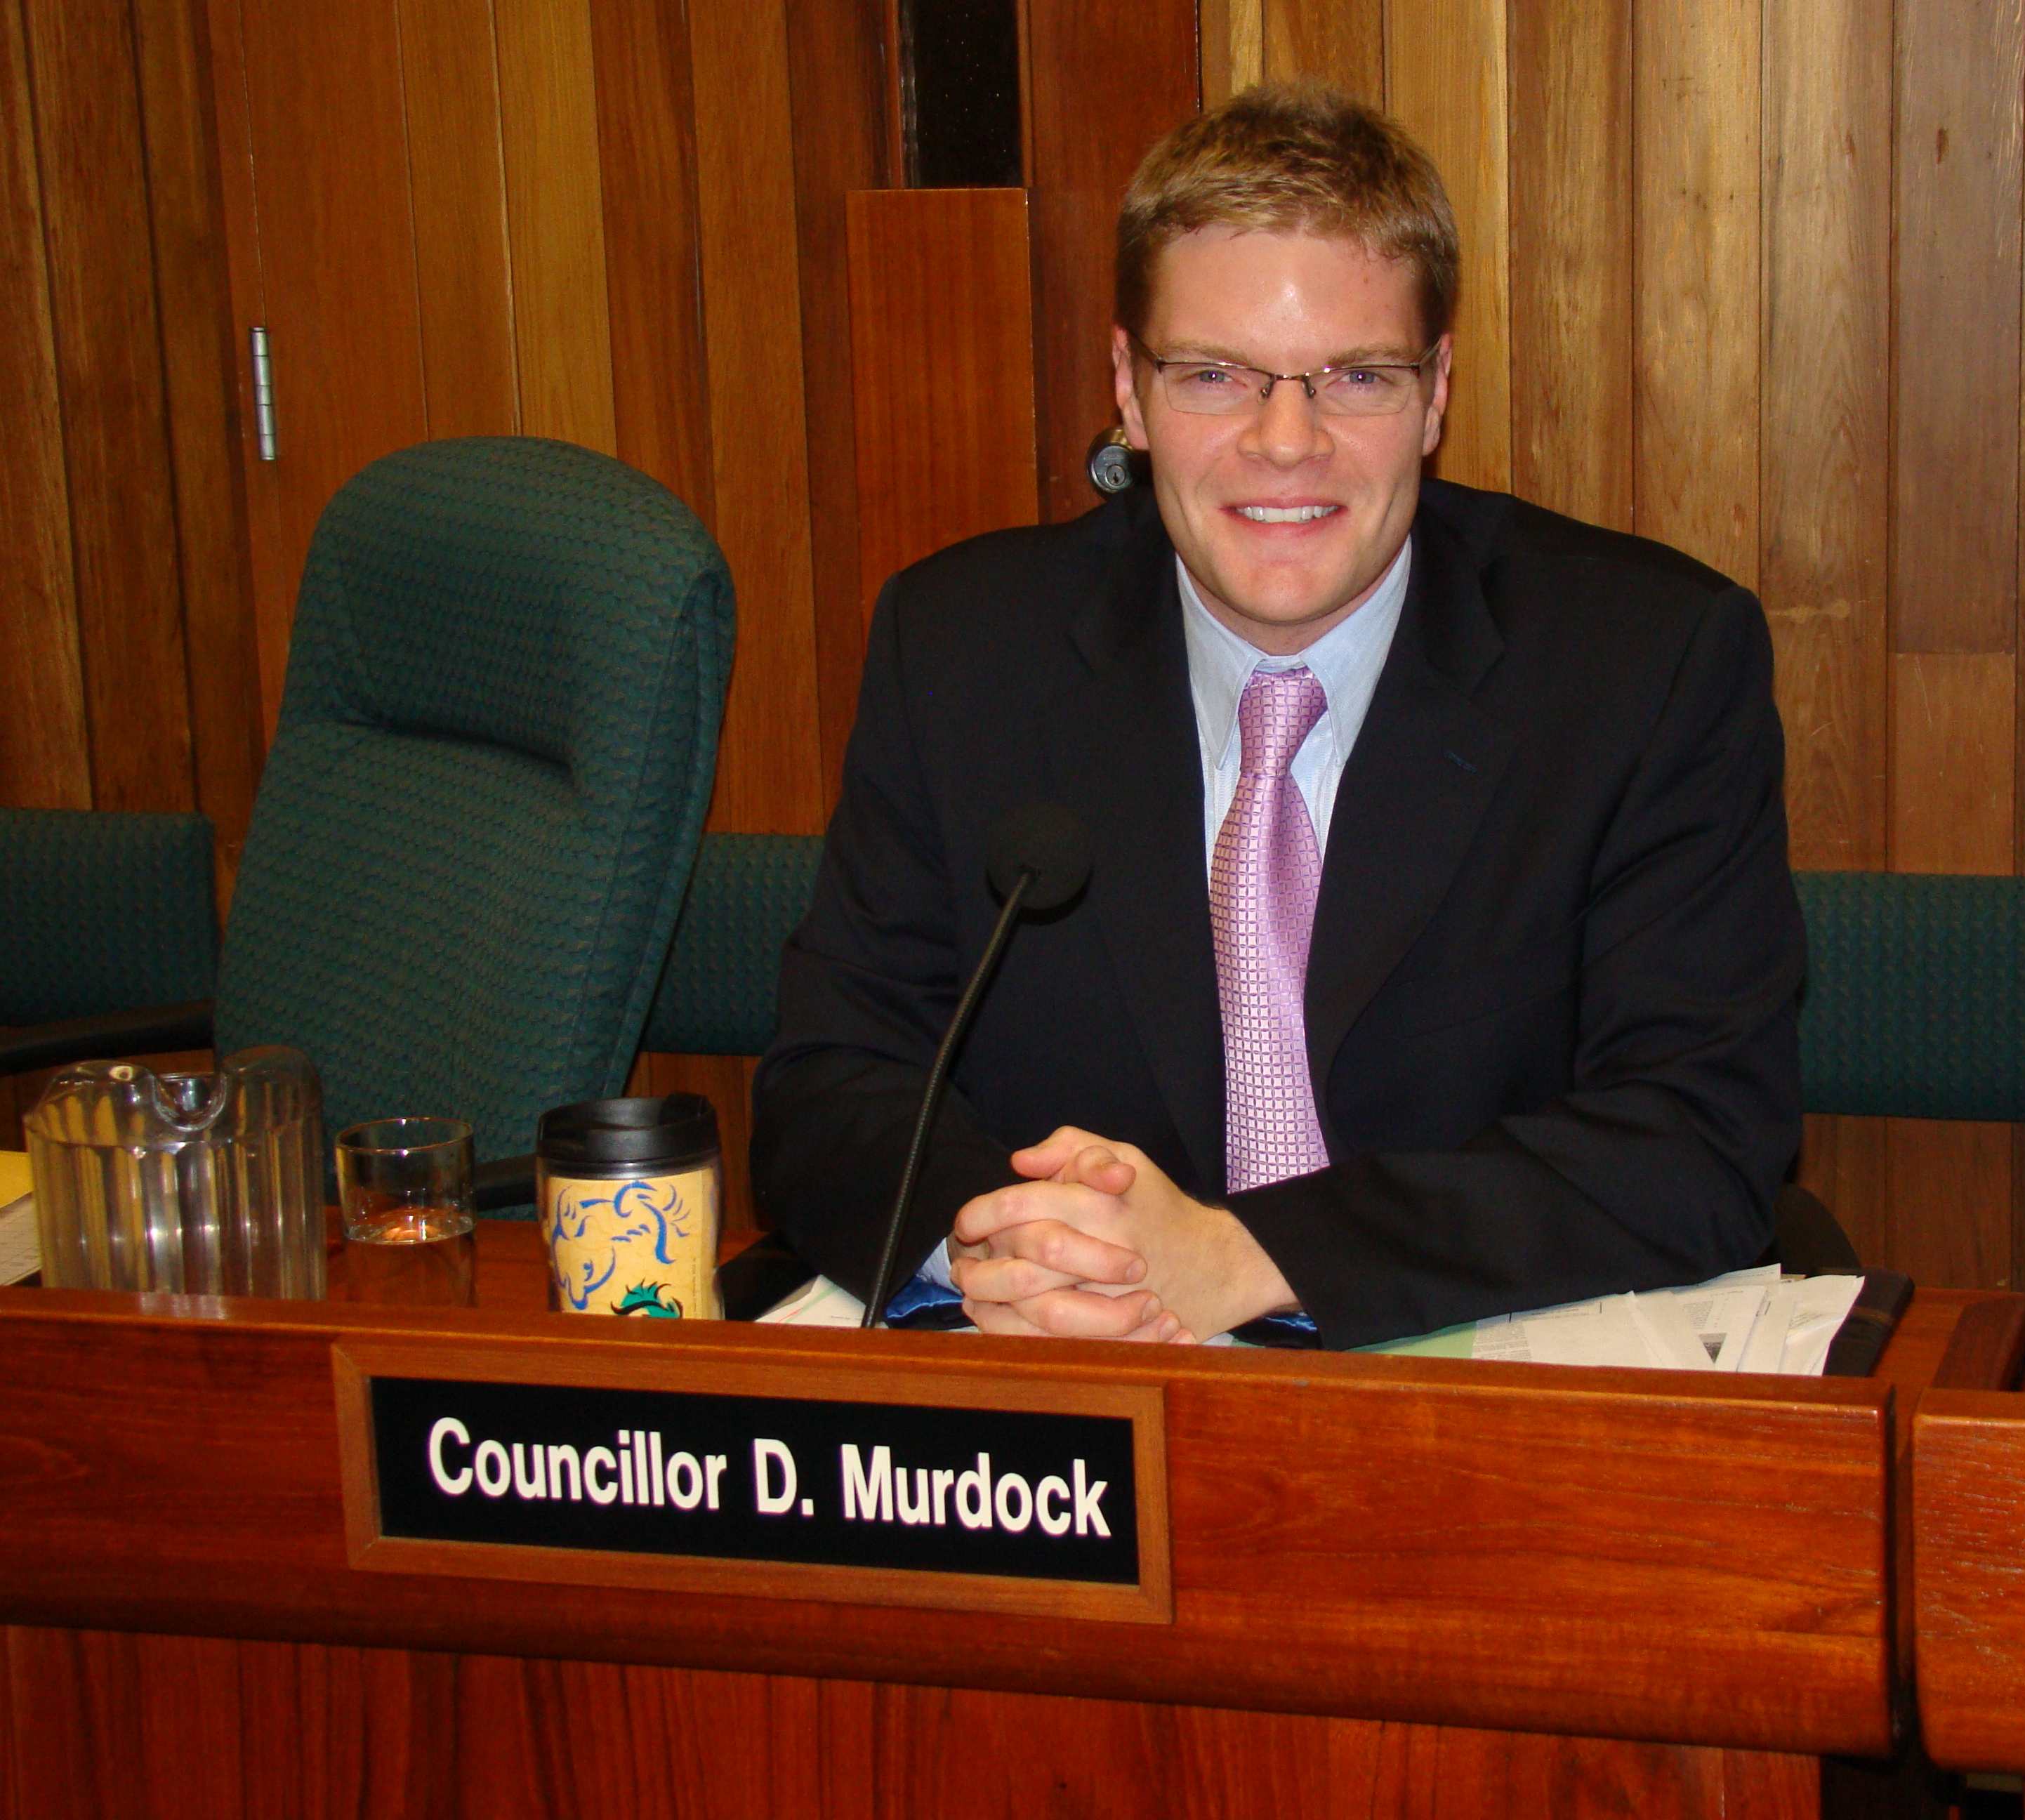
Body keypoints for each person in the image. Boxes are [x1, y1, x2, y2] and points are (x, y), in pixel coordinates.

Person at [752, 84, 1802, 1352]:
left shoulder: (1645, 665)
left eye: (1356, 376)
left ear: (1436, 394)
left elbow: (1698, 1133)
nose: (1285, 442)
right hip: (1078, 1404)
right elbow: (833, 1085)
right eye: (1214, 376)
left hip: (1465, 1409)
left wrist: (1248, 1256)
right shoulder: (963, 649)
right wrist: (1005, 1248)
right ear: (1130, 396)